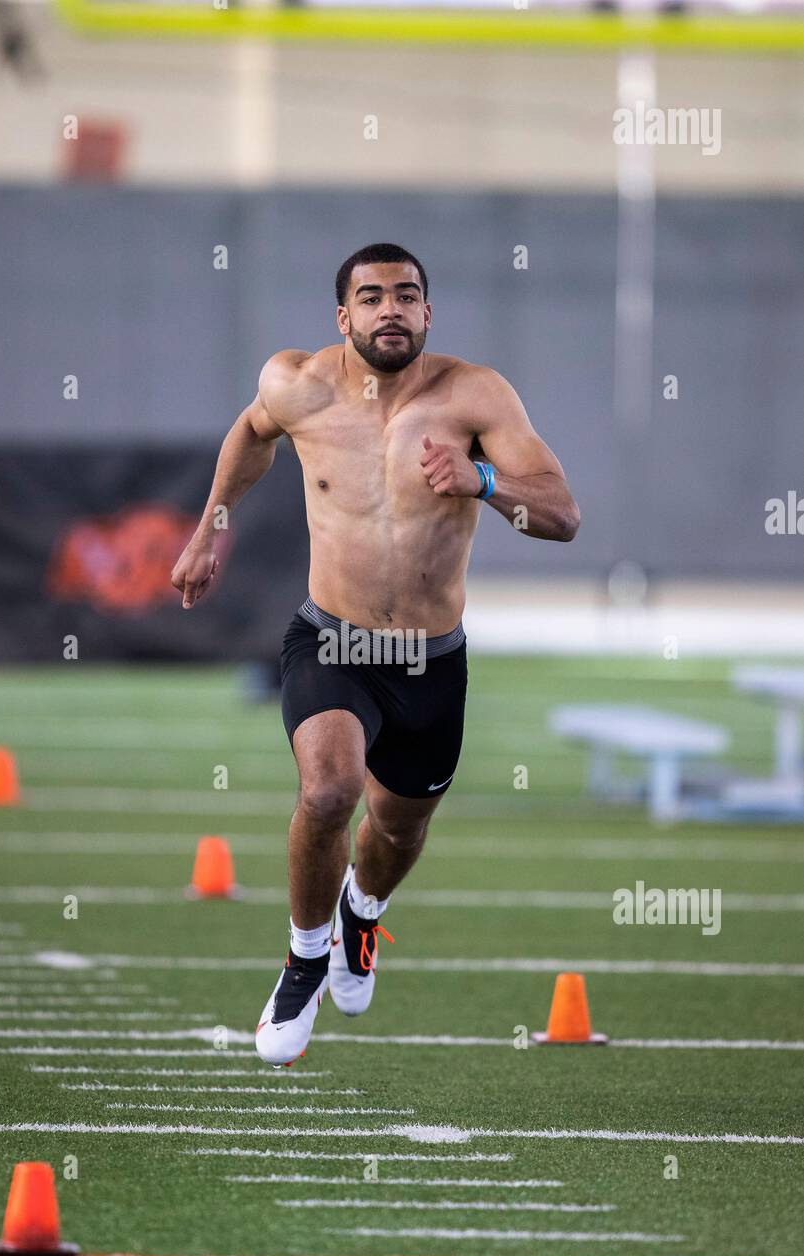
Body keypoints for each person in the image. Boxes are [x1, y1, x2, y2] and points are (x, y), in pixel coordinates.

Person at [171, 242, 579, 1067]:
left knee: (394, 833)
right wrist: (211, 529)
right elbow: (252, 436)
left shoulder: (476, 395)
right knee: (327, 793)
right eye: (372, 297)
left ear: (428, 313)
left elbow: (564, 515)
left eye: (406, 295)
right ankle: (302, 957)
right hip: (332, 638)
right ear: (343, 316)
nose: (389, 309)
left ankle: (363, 911)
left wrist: (486, 486)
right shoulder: (298, 383)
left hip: (430, 659)